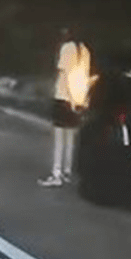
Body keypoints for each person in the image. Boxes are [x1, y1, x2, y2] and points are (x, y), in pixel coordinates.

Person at [40, 27, 95, 187]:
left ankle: (56, 174)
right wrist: (81, 101)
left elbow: (64, 74)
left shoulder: (67, 48)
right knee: (71, 138)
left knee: (59, 139)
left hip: (62, 98)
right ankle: (67, 172)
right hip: (78, 100)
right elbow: (84, 78)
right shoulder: (85, 51)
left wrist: (66, 97)